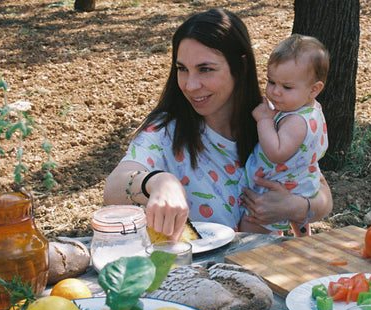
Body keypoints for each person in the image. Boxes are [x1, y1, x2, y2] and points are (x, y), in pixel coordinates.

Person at [103, 8, 333, 241]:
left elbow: (322, 193)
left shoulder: (271, 122)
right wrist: (158, 181)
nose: (190, 85)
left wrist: (295, 207)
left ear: (240, 67)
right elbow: (113, 188)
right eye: (182, 69)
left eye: (205, 69)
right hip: (192, 273)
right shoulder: (165, 132)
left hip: (264, 269)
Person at [239, 34, 329, 237]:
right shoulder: (310, 109)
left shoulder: (296, 121)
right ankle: (303, 241)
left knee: (250, 226)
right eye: (271, 82)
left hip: (279, 184)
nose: (275, 92)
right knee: (299, 222)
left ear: (314, 89)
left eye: (287, 87)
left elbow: (276, 153)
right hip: (302, 180)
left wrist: (264, 121)